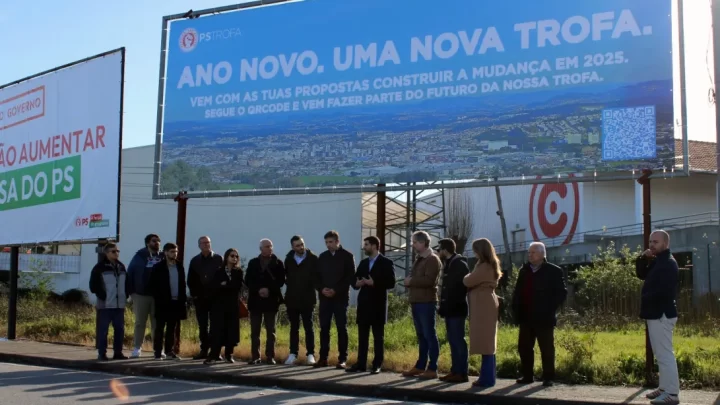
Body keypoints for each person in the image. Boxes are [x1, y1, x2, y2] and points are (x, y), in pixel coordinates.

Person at [511, 241, 567, 387]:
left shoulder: (553, 271)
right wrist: (516, 309)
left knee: (547, 348)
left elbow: (561, 293)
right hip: (526, 317)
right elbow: (518, 292)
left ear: (542, 254)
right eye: (528, 252)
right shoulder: (524, 271)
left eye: (533, 252)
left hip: (544, 317)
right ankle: (527, 375)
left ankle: (548, 377)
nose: (530, 255)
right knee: (524, 347)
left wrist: (550, 308)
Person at [637, 230, 680, 405]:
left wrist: (646, 297)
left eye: (655, 242)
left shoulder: (668, 263)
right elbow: (641, 274)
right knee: (660, 354)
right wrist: (642, 258)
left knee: (665, 355)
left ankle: (672, 393)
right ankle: (663, 388)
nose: (651, 245)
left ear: (665, 243)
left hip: (662, 314)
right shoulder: (657, 262)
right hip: (655, 314)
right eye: (650, 241)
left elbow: (666, 291)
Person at [346, 236, 396, 374]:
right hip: (364, 304)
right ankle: (361, 363)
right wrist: (356, 284)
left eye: (367, 244)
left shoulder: (386, 262)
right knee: (362, 336)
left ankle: (377, 364)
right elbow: (355, 280)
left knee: (378, 337)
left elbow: (391, 283)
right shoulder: (363, 263)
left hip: (378, 304)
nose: (364, 247)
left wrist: (374, 283)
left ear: (374, 246)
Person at [401, 231, 442, 380]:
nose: (413, 245)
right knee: (421, 335)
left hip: (426, 301)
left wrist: (411, 282)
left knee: (429, 334)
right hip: (417, 301)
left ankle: (433, 367)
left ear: (423, 242)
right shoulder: (420, 259)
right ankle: (420, 365)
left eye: (415, 242)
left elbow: (429, 281)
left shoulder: (432, 259)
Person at [313, 230, 355, 369]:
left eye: (330, 242)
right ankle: (323, 358)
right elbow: (316, 278)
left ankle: (342, 359)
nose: (328, 245)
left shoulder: (347, 256)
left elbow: (349, 278)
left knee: (341, 328)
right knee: (324, 328)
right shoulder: (322, 257)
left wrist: (335, 290)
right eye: (326, 242)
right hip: (325, 298)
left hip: (340, 298)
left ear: (337, 241)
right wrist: (321, 289)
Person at [463, 238, 503, 387]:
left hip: (483, 304)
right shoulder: (489, 265)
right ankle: (488, 376)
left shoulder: (484, 266)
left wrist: (467, 276)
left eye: (475, 250)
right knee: (488, 341)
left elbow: (468, 281)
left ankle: (486, 378)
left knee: (486, 342)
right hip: (485, 302)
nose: (474, 254)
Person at [245, 238, 286, 365]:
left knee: (271, 331)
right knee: (255, 331)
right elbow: (247, 280)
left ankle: (270, 357)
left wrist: (268, 289)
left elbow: (280, 281)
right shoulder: (253, 263)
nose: (269, 248)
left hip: (271, 301)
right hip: (255, 301)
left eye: (271, 246)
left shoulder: (278, 263)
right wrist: (259, 289)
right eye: (267, 246)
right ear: (261, 248)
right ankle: (255, 356)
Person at [436, 238, 470, 383]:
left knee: (458, 341)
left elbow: (457, 289)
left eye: (439, 249)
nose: (438, 252)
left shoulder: (459, 264)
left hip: (456, 309)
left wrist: (447, 304)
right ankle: (455, 370)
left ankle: (462, 372)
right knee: (453, 340)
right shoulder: (449, 264)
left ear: (445, 250)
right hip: (450, 309)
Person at [283, 235, 319, 366]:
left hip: (308, 298)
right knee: (294, 328)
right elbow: (285, 277)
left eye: (302, 244)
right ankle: (293, 354)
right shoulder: (288, 260)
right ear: (292, 247)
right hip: (292, 298)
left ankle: (310, 354)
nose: (301, 247)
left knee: (309, 327)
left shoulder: (313, 259)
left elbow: (317, 277)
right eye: (297, 245)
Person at [89, 243, 128, 361]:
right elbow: (93, 286)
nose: (116, 253)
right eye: (113, 251)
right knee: (103, 331)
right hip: (105, 305)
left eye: (118, 251)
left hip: (119, 305)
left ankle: (118, 353)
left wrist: (126, 295)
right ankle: (102, 353)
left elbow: (127, 283)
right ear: (106, 253)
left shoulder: (121, 266)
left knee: (120, 330)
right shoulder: (99, 267)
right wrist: (103, 296)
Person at [205, 248, 245, 365]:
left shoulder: (238, 272)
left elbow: (236, 286)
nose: (234, 258)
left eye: (236, 256)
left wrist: (224, 285)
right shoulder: (219, 271)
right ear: (226, 257)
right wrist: (224, 285)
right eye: (232, 256)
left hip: (232, 306)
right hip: (219, 306)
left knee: (231, 330)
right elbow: (214, 287)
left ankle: (229, 354)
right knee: (217, 330)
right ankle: (214, 354)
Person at [126, 233, 163, 358]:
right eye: (154, 241)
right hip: (141, 294)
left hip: (157, 296)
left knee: (156, 323)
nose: (157, 243)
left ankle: (158, 349)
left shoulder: (162, 256)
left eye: (158, 241)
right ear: (148, 243)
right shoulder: (139, 256)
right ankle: (137, 348)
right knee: (140, 322)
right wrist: (131, 292)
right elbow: (130, 273)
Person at [148, 243, 187, 360]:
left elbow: (182, 284)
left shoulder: (179, 266)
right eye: (171, 252)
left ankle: (169, 351)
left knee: (172, 328)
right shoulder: (158, 267)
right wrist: (159, 298)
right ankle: (158, 352)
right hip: (163, 303)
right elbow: (152, 285)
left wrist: (183, 300)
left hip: (176, 302)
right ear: (165, 252)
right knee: (160, 328)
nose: (174, 254)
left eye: (176, 251)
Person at [187, 236, 224, 360]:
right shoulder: (195, 261)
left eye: (208, 242)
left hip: (216, 298)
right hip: (201, 298)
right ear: (199, 245)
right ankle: (204, 350)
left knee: (216, 325)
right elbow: (190, 280)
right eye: (203, 243)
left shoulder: (219, 259)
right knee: (203, 325)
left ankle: (215, 352)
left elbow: (223, 276)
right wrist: (195, 295)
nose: (206, 245)